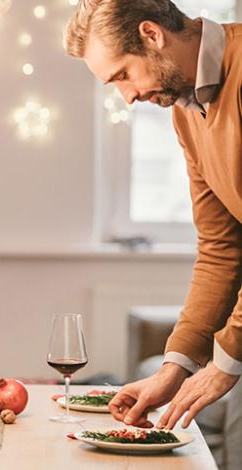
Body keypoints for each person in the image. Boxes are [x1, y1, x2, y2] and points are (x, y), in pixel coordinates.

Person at [65, 0, 241, 430]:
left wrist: (228, 358)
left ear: (152, 34)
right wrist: (173, 369)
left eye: (123, 74)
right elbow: (221, 249)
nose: (127, 96)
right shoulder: (187, 112)